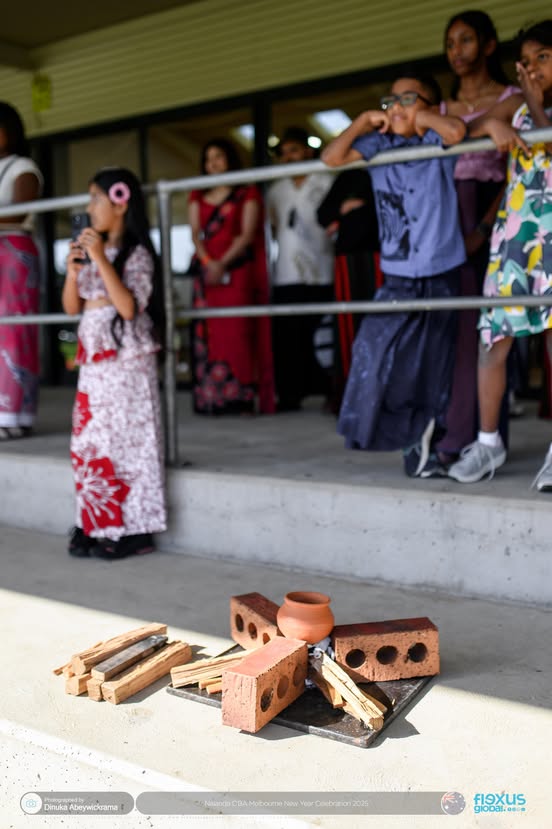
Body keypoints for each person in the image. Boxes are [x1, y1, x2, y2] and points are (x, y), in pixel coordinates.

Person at [322, 73, 467, 477]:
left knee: (434, 365)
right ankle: (387, 432)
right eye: (391, 100)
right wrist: (363, 120)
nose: (397, 107)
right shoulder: (378, 144)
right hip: (398, 274)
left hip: (441, 269)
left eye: (409, 98)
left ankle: (425, 447)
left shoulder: (433, 138)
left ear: (428, 106)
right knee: (374, 351)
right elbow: (331, 157)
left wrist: (425, 117)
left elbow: (455, 130)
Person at [448, 21, 552, 489]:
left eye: (543, 58)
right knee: (494, 340)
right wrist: (492, 120)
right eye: (526, 63)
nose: (533, 70)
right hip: (515, 240)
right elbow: (464, 129)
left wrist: (529, 102)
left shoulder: (533, 107)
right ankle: (488, 443)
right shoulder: (519, 108)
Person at [62, 167, 167, 559]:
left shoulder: (137, 254)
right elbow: (72, 307)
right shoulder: (92, 251)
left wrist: (99, 258)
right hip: (94, 365)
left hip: (127, 361)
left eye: (96, 198)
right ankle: (95, 520)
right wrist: (73, 272)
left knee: (130, 443)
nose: (90, 207)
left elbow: (127, 307)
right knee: (91, 441)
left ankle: (136, 530)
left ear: (120, 202)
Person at [436, 11, 523, 466]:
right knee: (454, 333)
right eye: (450, 43)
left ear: (489, 46)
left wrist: (483, 227)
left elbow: (515, 173)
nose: (457, 51)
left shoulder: (511, 98)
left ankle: (483, 435)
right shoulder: (444, 112)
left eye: (466, 40)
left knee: (488, 330)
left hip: (496, 213)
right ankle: (452, 433)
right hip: (447, 219)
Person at [188, 138, 275, 415]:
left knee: (238, 333)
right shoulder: (197, 195)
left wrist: (222, 263)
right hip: (207, 274)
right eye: (208, 158)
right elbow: (195, 234)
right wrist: (207, 262)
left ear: (230, 160)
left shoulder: (246, 193)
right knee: (208, 334)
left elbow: (247, 234)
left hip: (236, 271)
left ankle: (240, 397)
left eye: (219, 156)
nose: (213, 163)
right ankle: (210, 398)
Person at [266, 127, 334, 412]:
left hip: (321, 267)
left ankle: (332, 391)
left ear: (308, 150)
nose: (288, 157)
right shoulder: (276, 189)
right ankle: (291, 394)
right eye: (283, 153)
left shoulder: (326, 179)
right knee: (289, 337)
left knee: (326, 334)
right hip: (287, 272)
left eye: (294, 150)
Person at [316, 168, 382, 409]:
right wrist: (345, 208)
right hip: (348, 260)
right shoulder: (347, 176)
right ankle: (348, 394)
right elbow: (323, 214)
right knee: (347, 327)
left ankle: (380, 392)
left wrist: (360, 208)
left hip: (380, 256)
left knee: (381, 324)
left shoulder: (383, 168)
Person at [0, 103, 43, 440]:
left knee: (14, 331)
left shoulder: (23, 167)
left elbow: (18, 213)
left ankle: (16, 413)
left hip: (14, 251)